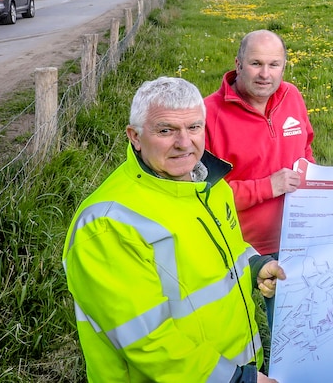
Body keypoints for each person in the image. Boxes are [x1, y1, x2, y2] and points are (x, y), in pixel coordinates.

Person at [63, 77, 286, 383]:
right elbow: (148, 341)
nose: (184, 142)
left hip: (236, 365)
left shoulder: (211, 185)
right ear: (135, 137)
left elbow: (224, 254)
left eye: (194, 127)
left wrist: (256, 266)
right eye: (166, 130)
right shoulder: (107, 224)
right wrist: (237, 380)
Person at [205, 29, 314, 257]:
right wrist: (268, 187)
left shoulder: (291, 96)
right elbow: (205, 195)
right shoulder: (207, 116)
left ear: (284, 67)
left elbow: (305, 150)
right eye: (256, 63)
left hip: (299, 236)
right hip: (240, 248)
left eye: (274, 65)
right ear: (239, 64)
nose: (265, 74)